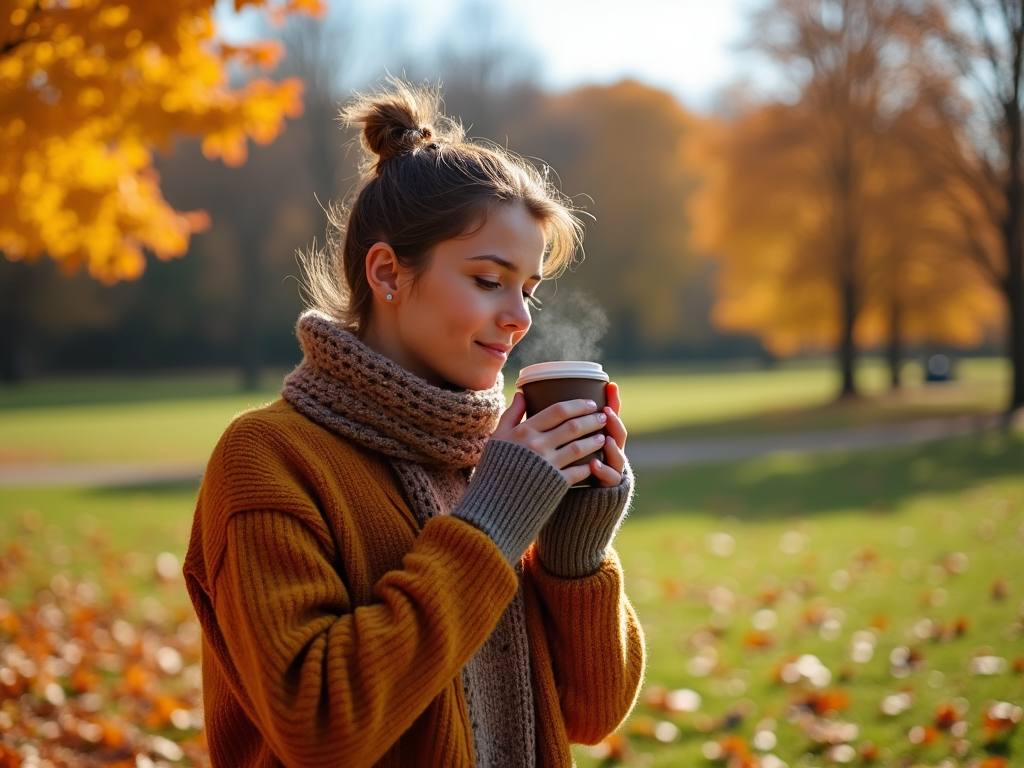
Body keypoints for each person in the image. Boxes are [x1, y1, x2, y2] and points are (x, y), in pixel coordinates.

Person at [183, 78, 644, 768]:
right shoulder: (268, 458)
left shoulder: (497, 458)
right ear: (389, 273)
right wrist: (491, 526)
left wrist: (575, 554)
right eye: (489, 280)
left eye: (528, 288)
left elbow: (588, 715)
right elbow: (321, 726)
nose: (520, 316)